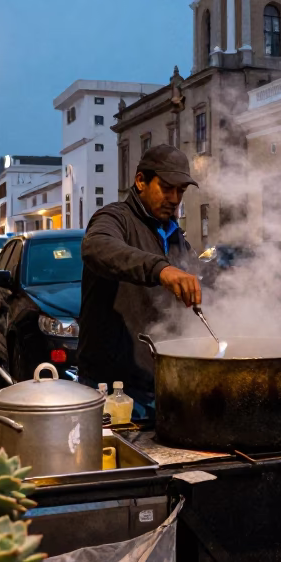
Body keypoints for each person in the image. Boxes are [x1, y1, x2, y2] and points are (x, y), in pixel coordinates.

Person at [78, 145, 202, 413]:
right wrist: (161, 269)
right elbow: (96, 247)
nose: (174, 198)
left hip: (160, 382)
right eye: (167, 188)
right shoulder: (114, 217)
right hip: (113, 387)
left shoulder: (176, 236)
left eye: (181, 191)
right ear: (141, 181)